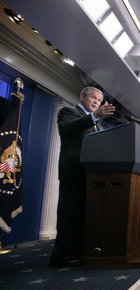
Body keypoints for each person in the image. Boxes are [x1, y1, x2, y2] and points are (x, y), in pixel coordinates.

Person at [50, 86, 115, 268]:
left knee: (83, 217)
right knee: (68, 216)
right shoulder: (68, 112)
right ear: (82, 96)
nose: (96, 102)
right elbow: (70, 128)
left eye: (99, 101)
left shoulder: (97, 125)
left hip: (90, 176)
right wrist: (95, 116)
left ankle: (77, 252)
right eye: (93, 98)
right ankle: (60, 257)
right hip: (73, 172)